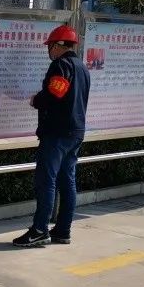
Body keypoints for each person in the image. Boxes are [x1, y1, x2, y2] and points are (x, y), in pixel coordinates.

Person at [12, 24, 90, 248]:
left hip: (57, 133)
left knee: (46, 180)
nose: (49, 51)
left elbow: (55, 94)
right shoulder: (82, 67)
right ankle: (63, 230)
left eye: (50, 46)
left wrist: (36, 100)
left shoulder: (61, 65)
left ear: (57, 46)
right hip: (75, 132)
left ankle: (39, 230)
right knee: (67, 180)